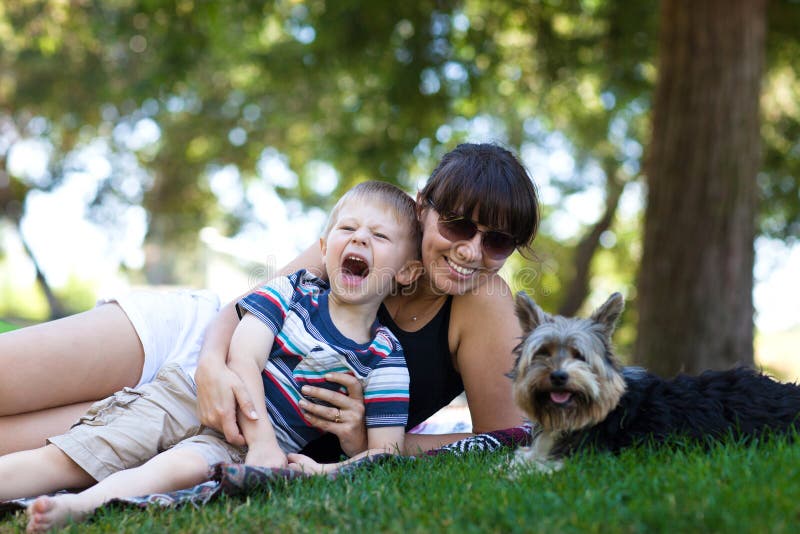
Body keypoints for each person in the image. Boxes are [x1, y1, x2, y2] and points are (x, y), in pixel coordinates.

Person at [0, 142, 540, 463]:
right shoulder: (375, 228)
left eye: (496, 241)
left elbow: (502, 442)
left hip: (241, 426)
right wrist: (212, 365)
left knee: (18, 449)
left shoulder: (485, 301)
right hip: (200, 340)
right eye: (457, 225)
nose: (472, 251)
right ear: (424, 208)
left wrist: (372, 440)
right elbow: (244, 307)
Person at [0, 181, 423, 531]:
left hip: (237, 449)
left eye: (380, 236)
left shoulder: (385, 358)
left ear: (406, 272)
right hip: (190, 395)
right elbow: (243, 356)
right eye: (347, 227)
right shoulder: (293, 290)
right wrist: (263, 442)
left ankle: (78, 508)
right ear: (325, 246)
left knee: (176, 471)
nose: (360, 237)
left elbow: (385, 452)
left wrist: (317, 470)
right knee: (82, 451)